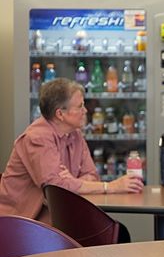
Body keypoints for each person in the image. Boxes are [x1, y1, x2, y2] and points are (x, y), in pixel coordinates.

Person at [0, 78, 143, 241]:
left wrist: (70, 182)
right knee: (111, 237)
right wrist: (109, 186)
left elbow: (91, 175)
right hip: (24, 224)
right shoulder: (37, 138)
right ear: (60, 114)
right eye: (80, 106)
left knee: (118, 233)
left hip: (59, 217)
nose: (86, 111)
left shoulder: (74, 133)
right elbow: (55, 187)